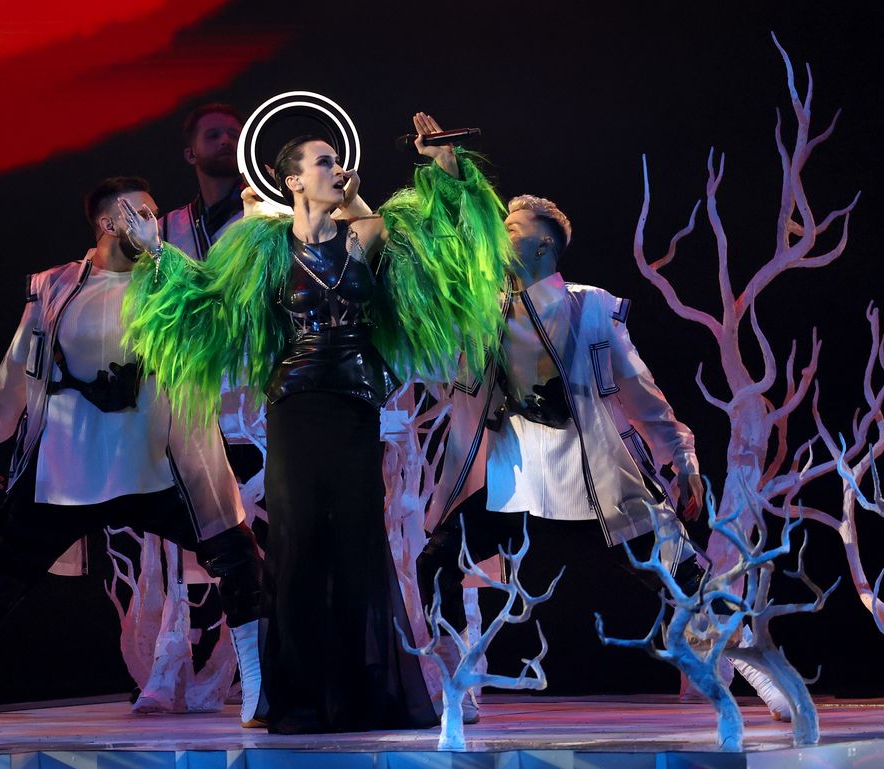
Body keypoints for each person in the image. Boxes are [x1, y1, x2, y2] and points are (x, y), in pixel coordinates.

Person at [120, 112, 512, 733]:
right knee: (298, 545)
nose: (336, 169)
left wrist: (438, 161)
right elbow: (207, 301)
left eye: (337, 160)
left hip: (355, 405)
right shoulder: (263, 247)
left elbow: (438, 242)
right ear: (293, 180)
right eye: (322, 163)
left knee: (357, 540)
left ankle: (362, 693)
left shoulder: (366, 236)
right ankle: (295, 696)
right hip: (296, 406)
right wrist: (154, 255)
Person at [0, 177, 265, 731]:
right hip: (70, 465)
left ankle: (259, 691)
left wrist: (165, 254)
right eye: (142, 214)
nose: (154, 224)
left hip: (162, 464)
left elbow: (216, 315)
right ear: (109, 224)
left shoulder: (175, 279)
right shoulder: (56, 286)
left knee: (239, 556)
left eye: (156, 215)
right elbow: (18, 365)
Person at [420, 194, 790, 722]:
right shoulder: (484, 314)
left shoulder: (589, 306)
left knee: (684, 578)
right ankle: (457, 685)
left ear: (544, 243)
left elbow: (640, 391)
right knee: (437, 563)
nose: (500, 235)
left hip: (599, 484)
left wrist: (680, 456)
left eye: (513, 226)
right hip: (520, 486)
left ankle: (762, 674)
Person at [163, 103, 245, 260]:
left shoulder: (271, 207)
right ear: (191, 155)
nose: (226, 140)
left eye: (234, 136)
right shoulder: (167, 228)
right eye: (213, 135)